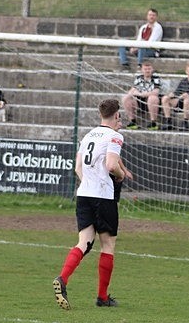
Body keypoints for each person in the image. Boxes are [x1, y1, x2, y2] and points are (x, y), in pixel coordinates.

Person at [53, 99, 132, 309]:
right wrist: (121, 174)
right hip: (103, 197)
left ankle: (62, 279)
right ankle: (102, 297)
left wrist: (90, 181)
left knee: (84, 242)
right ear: (116, 116)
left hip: (84, 194)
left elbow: (78, 167)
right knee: (108, 245)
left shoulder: (88, 135)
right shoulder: (115, 136)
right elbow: (111, 165)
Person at [161, 61, 189, 131]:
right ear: (186, 72)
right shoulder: (183, 81)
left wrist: (187, 96)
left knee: (187, 100)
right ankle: (168, 120)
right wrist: (172, 95)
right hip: (182, 101)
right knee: (165, 98)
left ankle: (186, 122)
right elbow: (177, 92)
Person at [122, 62, 161, 130]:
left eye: (149, 69)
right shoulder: (138, 78)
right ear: (142, 70)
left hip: (153, 101)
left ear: (152, 70)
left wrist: (142, 94)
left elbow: (155, 92)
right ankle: (132, 121)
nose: (147, 71)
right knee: (126, 98)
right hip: (139, 100)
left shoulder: (156, 78)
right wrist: (139, 94)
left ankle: (153, 123)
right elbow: (132, 91)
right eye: (145, 69)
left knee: (152, 98)